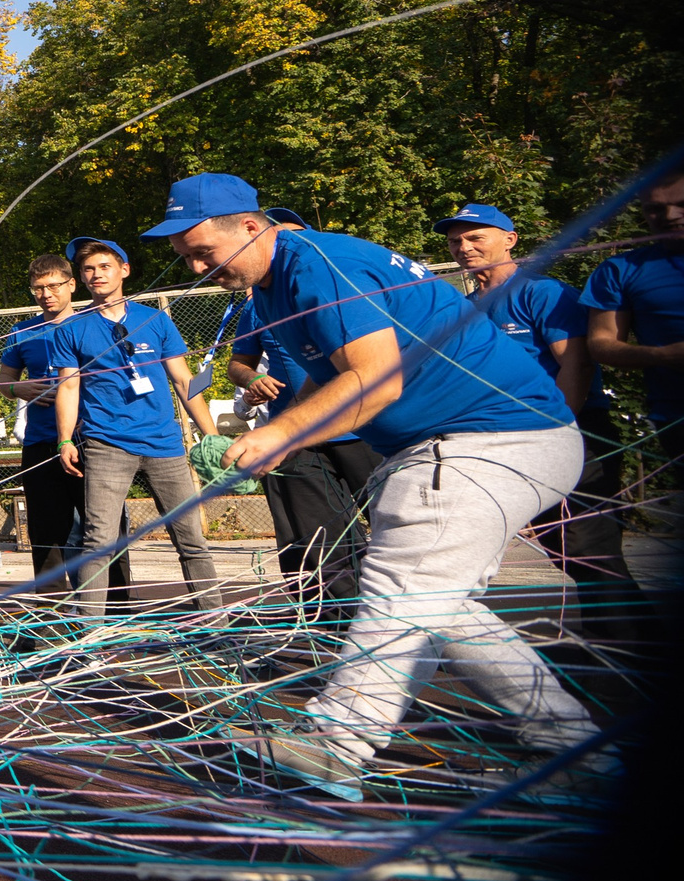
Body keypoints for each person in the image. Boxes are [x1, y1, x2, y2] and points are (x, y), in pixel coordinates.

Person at [159, 173, 598, 798]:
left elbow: (376, 379)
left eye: (206, 252)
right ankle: (573, 752)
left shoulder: (315, 263)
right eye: (188, 259)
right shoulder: (276, 287)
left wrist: (278, 436)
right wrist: (284, 431)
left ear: (252, 227)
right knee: (442, 606)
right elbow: (326, 377)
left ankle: (341, 743)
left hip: (485, 439)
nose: (201, 268)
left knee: (402, 582)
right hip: (496, 442)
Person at [49, 238, 224, 616]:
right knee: (99, 541)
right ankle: (88, 633)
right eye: (88, 270)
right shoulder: (70, 329)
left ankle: (216, 620)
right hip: (106, 445)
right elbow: (69, 387)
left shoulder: (156, 320)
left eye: (104, 267)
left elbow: (182, 380)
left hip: (165, 445)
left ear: (124, 271)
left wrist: (211, 435)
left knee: (191, 538)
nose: (96, 275)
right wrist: (65, 438)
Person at [227, 320, 375, 619]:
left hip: (360, 430)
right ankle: (345, 621)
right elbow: (237, 365)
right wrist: (252, 378)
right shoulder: (257, 306)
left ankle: (427, 607)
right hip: (295, 438)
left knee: (392, 520)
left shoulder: (334, 289)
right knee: (318, 537)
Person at [582, 165, 684, 543]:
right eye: (655, 210)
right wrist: (663, 355)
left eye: (681, 204)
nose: (670, 216)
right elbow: (601, 344)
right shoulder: (621, 270)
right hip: (675, 414)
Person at [0, 255, 88, 597]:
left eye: (53, 286)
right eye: (38, 288)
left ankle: (112, 606)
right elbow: (4, 381)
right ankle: (51, 615)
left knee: (100, 530)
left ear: (71, 285)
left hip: (90, 440)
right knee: (47, 533)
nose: (46, 294)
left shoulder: (93, 324)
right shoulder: (21, 331)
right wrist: (19, 388)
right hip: (40, 442)